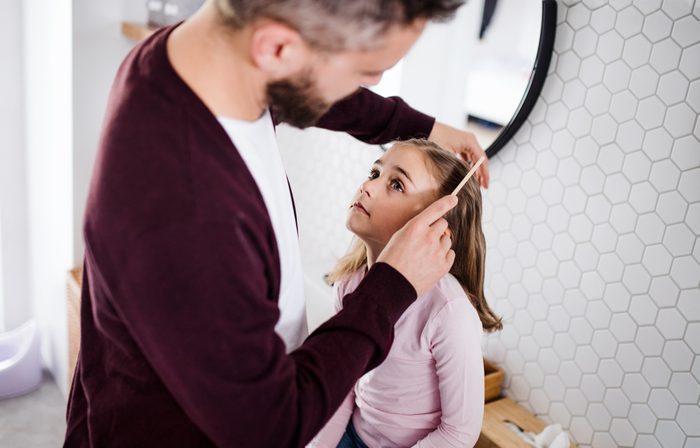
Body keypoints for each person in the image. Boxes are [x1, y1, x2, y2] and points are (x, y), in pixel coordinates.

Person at [65, 1, 491, 446]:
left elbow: (329, 99)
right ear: (277, 48)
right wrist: (390, 289)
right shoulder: (187, 208)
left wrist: (422, 126)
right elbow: (267, 430)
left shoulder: (200, 66)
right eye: (366, 69)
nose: (372, 85)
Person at [308, 139, 502, 448]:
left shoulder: (448, 312)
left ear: (434, 223)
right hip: (353, 436)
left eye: (397, 184)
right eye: (375, 173)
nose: (367, 187)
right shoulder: (349, 285)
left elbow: (459, 433)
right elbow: (342, 387)